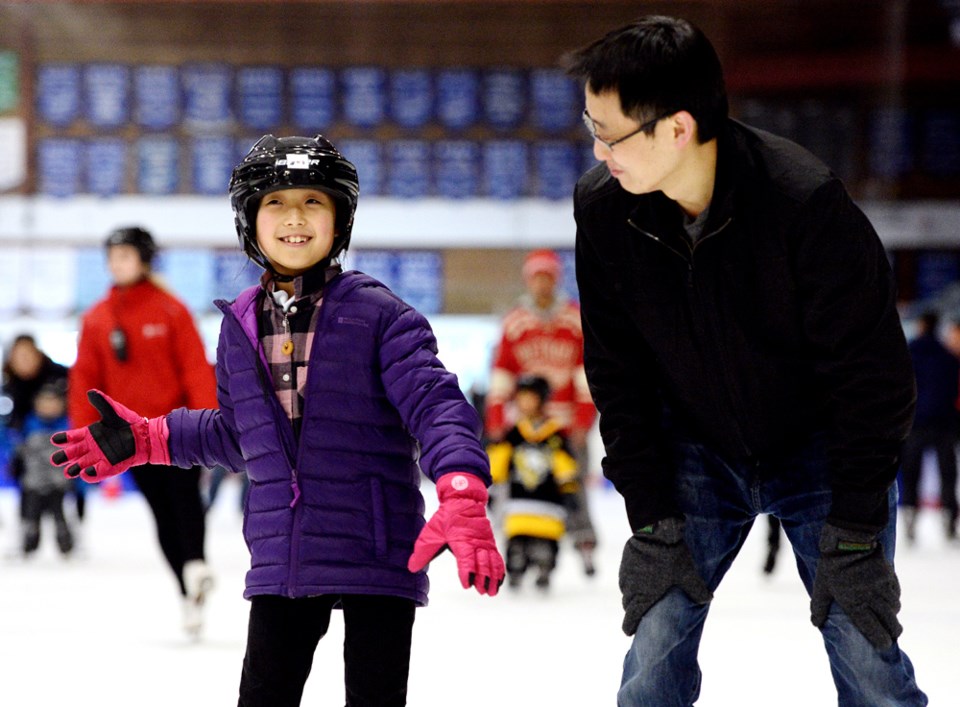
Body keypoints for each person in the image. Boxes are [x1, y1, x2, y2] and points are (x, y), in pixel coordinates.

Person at [52, 134, 505, 707]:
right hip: (282, 554)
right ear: (250, 221)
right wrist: (150, 436)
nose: (295, 218)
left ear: (340, 218)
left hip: (379, 547)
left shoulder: (382, 316)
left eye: (313, 201)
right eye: (276, 203)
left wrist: (461, 485)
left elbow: (437, 404)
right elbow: (239, 435)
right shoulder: (240, 323)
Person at [565, 15, 926, 705]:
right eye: (591, 126)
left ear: (676, 127)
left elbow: (873, 377)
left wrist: (854, 529)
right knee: (654, 650)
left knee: (866, 652)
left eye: (608, 133)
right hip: (695, 447)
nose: (597, 149)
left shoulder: (802, 202)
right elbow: (618, 371)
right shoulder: (606, 210)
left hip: (821, 447)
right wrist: (651, 516)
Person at [67, 225, 217, 638]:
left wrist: (207, 426)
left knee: (186, 501)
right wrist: (85, 434)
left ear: (145, 259)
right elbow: (84, 378)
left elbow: (195, 368)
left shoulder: (172, 309)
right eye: (112, 257)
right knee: (161, 512)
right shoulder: (97, 317)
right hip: (128, 440)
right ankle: (188, 588)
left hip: (176, 432)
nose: (117, 264)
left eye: (126, 255)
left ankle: (196, 566)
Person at [486, 248, 598, 576]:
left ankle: (584, 543)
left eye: (548, 276)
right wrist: (496, 418)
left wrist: (583, 419)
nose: (542, 284)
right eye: (537, 277)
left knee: (571, 484)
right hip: (525, 425)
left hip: (564, 424)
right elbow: (502, 373)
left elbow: (585, 373)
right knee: (519, 484)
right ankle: (516, 542)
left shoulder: (575, 319)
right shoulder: (516, 322)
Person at [487, 374, 579, 591]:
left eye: (530, 397)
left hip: (549, 501)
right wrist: (491, 485)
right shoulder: (515, 432)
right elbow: (500, 458)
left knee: (546, 540)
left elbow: (563, 462)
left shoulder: (554, 433)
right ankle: (516, 564)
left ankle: (544, 565)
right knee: (517, 539)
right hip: (519, 502)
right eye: (521, 398)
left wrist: (569, 489)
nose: (524, 403)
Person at [900, 310, 959, 542]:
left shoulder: (909, 353)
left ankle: (910, 522)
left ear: (922, 325)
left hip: (915, 424)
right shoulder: (949, 356)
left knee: (911, 475)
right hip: (944, 423)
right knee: (947, 475)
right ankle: (949, 522)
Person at [11, 380, 74, 557]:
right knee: (31, 515)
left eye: (53, 401)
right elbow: (18, 449)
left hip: (59, 482)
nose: (48, 406)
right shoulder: (29, 424)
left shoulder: (67, 425)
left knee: (60, 514)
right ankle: (29, 543)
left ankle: (66, 543)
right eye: (44, 401)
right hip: (33, 482)